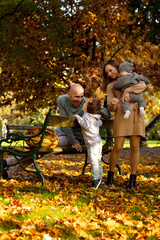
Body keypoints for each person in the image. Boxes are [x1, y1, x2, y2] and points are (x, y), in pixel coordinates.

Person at [102, 59, 148, 190]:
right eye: (107, 73)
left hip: (136, 114)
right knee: (118, 146)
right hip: (121, 115)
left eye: (110, 70)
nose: (109, 74)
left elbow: (143, 85)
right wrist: (113, 103)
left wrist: (127, 91)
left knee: (135, 147)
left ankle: (132, 181)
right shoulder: (111, 86)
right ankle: (110, 178)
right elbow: (111, 107)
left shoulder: (132, 77)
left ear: (117, 68)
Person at [55, 83, 111, 152]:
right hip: (62, 131)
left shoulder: (86, 103)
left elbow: (108, 116)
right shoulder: (62, 100)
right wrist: (73, 142)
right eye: (77, 97)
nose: (80, 99)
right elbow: (65, 123)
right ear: (69, 94)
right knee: (45, 139)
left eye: (81, 96)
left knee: (50, 142)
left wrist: (99, 107)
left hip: (76, 137)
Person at [75, 99, 103, 189]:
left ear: (86, 108)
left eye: (85, 104)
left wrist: (78, 117)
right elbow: (100, 123)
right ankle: (100, 177)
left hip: (92, 143)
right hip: (98, 142)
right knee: (98, 160)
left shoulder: (87, 116)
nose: (83, 103)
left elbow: (85, 125)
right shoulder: (95, 116)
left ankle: (96, 179)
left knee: (93, 160)